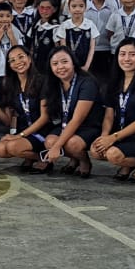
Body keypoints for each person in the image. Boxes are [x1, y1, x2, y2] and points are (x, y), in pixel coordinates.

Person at [92, 38, 135, 182]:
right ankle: (127, 164)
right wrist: (104, 137)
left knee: (113, 155)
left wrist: (113, 138)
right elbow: (109, 114)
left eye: (132, 54)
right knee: (96, 151)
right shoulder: (116, 78)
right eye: (122, 54)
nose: (126, 59)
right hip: (121, 131)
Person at [39, 47, 101, 177]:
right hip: (65, 124)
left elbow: (77, 119)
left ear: (73, 62)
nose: (60, 67)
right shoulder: (52, 83)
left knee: (72, 144)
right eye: (55, 64)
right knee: (49, 141)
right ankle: (74, 159)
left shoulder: (87, 82)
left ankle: (84, 161)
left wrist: (57, 147)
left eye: (64, 62)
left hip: (87, 126)